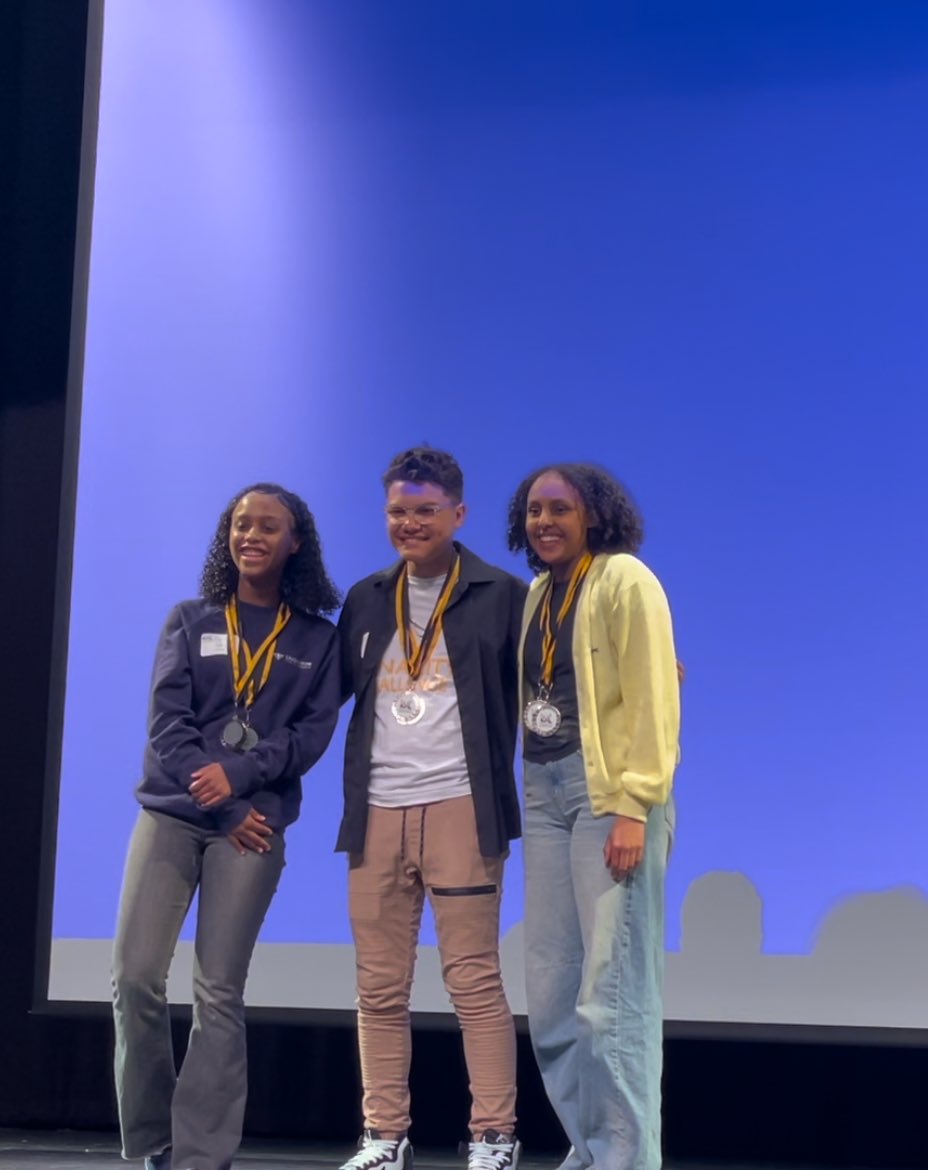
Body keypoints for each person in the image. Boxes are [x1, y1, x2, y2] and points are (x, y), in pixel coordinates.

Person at [112, 484, 341, 1170]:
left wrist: (240, 785)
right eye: (241, 524)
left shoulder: (317, 640)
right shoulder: (189, 618)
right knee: (135, 976)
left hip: (252, 827)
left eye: (268, 526)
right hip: (176, 813)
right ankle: (153, 1141)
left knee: (217, 989)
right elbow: (168, 724)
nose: (252, 535)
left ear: (294, 542)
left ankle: (200, 1156)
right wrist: (223, 798)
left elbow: (308, 737)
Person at [337, 447, 526, 1170]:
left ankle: (494, 1135)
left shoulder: (501, 593)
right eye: (397, 511)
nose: (409, 524)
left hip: (461, 807)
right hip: (377, 812)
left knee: (474, 981)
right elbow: (327, 700)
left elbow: (551, 677)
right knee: (377, 987)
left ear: (458, 515)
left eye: (424, 511)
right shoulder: (365, 597)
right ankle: (384, 1135)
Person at [506, 463, 680, 1170]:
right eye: (533, 510)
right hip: (543, 792)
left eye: (560, 509)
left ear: (594, 517)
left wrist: (635, 805)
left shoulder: (625, 580)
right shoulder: (541, 594)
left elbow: (652, 695)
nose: (543, 521)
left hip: (608, 796)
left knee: (611, 1001)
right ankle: (592, 1149)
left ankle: (624, 1161)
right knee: (550, 1001)